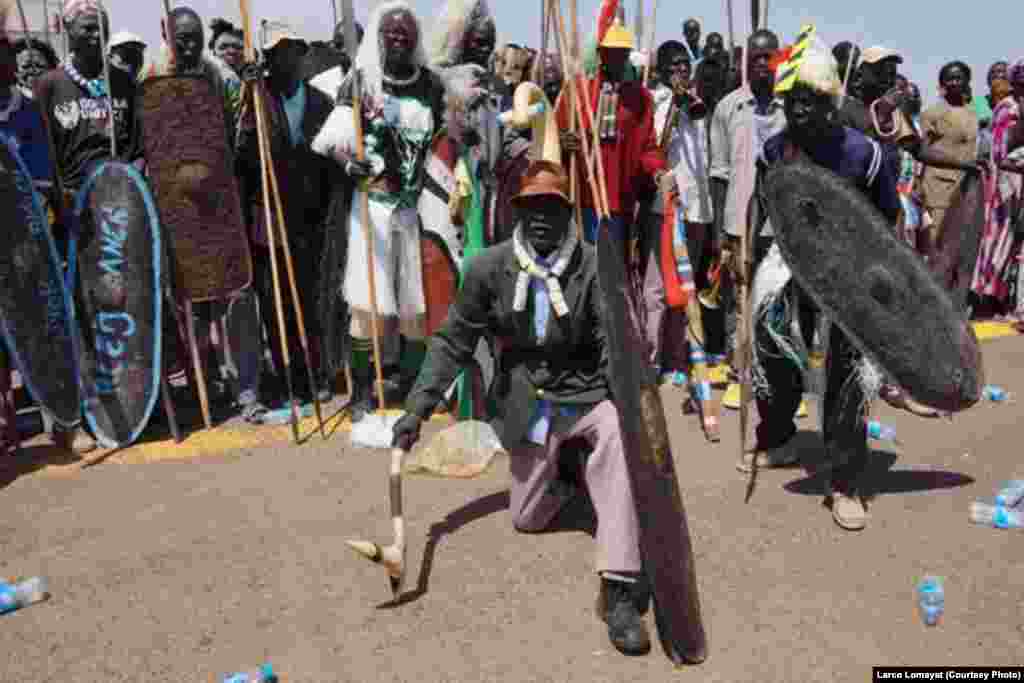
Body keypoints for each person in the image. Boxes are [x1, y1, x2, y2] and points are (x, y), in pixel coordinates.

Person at [393, 160, 652, 657]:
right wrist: (416, 411)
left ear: (567, 214)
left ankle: (617, 588)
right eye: (531, 207)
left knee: (616, 436)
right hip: (527, 401)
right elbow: (452, 342)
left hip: (587, 393)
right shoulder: (489, 267)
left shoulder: (595, 264)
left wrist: (633, 412)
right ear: (517, 212)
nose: (540, 219)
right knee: (527, 518)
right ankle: (569, 475)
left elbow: (613, 345)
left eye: (551, 208)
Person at [746, 42, 902, 531]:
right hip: (793, 268)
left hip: (850, 277)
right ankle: (779, 437)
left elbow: (887, 216)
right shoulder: (776, 149)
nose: (796, 108)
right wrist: (747, 255)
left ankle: (846, 481)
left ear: (831, 103)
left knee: (847, 376)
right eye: (792, 99)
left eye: (809, 99)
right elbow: (765, 201)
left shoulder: (867, 155)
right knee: (774, 351)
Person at [311, 2, 446, 421]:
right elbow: (330, 141)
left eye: (407, 34)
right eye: (392, 34)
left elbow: (445, 141)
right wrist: (350, 164)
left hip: (416, 211)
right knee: (366, 306)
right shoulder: (361, 81)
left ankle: (410, 386)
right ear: (380, 38)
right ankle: (362, 393)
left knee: (414, 306)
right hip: (371, 209)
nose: (400, 40)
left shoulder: (430, 86)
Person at [36, 0, 142, 454]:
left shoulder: (123, 82)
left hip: (119, 213)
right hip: (74, 219)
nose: (96, 35)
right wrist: (61, 205)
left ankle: (132, 404)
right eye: (85, 28)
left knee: (123, 304)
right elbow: (45, 159)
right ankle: (83, 415)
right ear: (66, 31)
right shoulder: (49, 87)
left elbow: (137, 147)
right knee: (81, 314)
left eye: (102, 26)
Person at [238, 21, 336, 406]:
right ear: (268, 60)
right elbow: (243, 160)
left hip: (311, 220)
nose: (287, 60)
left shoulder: (321, 103)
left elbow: (331, 163)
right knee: (277, 302)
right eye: (278, 54)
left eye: (293, 51)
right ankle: (289, 379)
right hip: (270, 217)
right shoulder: (258, 101)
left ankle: (316, 373)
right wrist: (249, 104)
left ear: (303, 56)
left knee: (313, 301)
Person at [648, 40, 718, 441]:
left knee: (688, 291)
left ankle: (681, 360)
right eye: (673, 66)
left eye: (683, 66)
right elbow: (656, 148)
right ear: (661, 70)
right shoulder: (659, 101)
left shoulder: (699, 105)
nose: (681, 72)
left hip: (697, 208)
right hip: (668, 207)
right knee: (662, 289)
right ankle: (658, 363)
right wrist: (674, 104)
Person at [709, 29, 786, 371]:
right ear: (745, 63)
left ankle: (771, 367)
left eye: (768, 58)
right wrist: (718, 230)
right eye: (755, 58)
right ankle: (738, 365)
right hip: (738, 218)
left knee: (775, 294)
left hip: (780, 223)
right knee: (738, 294)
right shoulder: (729, 107)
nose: (762, 65)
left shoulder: (792, 108)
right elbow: (719, 173)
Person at [556, 13, 666, 246]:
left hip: (620, 195)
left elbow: (648, 146)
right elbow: (551, 139)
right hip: (583, 193)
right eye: (611, 51)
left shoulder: (640, 97)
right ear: (600, 53)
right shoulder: (576, 92)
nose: (617, 57)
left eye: (622, 52)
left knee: (613, 266)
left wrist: (657, 170)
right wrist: (562, 142)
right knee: (584, 260)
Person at [972, 58, 1024, 319]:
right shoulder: (1007, 108)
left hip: (1019, 187)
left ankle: (1004, 297)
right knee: (998, 239)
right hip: (1005, 186)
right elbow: (1001, 153)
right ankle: (985, 297)